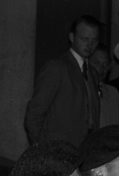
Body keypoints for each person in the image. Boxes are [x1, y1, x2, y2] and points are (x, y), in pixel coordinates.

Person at [24, 15, 103, 146]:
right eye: (84, 39)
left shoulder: (93, 73)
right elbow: (34, 116)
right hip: (58, 150)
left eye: (94, 40)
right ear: (72, 37)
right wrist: (42, 151)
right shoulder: (57, 67)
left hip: (85, 149)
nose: (90, 45)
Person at [89, 47, 119, 128]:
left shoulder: (113, 92)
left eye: (105, 64)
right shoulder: (81, 91)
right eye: (96, 63)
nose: (101, 68)